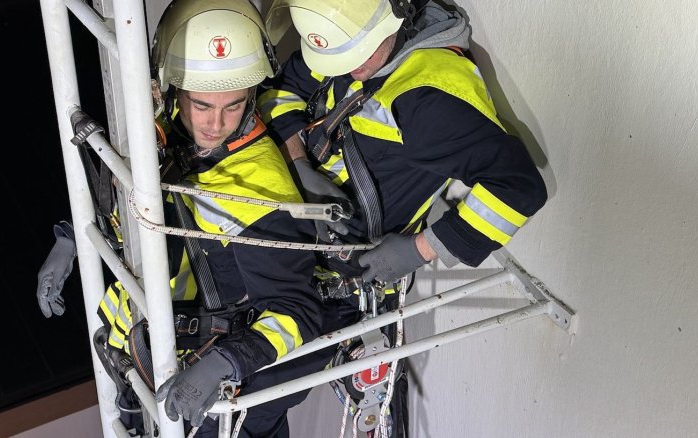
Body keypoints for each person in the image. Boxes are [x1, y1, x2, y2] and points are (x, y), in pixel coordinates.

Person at [96, 0, 348, 436]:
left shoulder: (255, 188)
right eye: (202, 106)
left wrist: (223, 363)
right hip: (154, 353)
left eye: (233, 107)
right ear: (172, 92)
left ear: (251, 96)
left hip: (228, 380)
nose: (215, 124)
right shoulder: (170, 134)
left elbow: (297, 313)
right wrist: (75, 238)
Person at [259, 0, 548, 287]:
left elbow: (518, 188)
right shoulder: (346, 33)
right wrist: (295, 161)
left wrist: (419, 250)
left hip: (328, 267)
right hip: (285, 202)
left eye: (355, 54)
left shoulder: (428, 101)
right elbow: (284, 88)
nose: (347, 67)